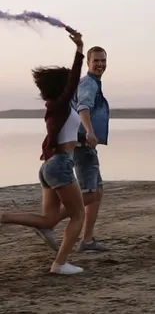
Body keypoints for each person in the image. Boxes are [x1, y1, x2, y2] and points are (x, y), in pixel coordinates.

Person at [0, 30, 85, 275]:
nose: (73, 85)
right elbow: (73, 83)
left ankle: (4, 216)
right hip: (59, 166)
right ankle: (60, 264)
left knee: (49, 219)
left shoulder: (59, 108)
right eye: (69, 83)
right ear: (62, 87)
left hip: (51, 165)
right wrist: (79, 49)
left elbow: (55, 134)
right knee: (78, 214)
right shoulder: (59, 105)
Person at [38, 46, 110, 253]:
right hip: (82, 144)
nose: (100, 64)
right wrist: (89, 132)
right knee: (91, 193)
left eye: (103, 61)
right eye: (96, 61)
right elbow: (83, 108)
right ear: (88, 63)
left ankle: (87, 240)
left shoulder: (91, 83)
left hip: (84, 144)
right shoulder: (88, 84)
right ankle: (48, 223)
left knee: (98, 191)